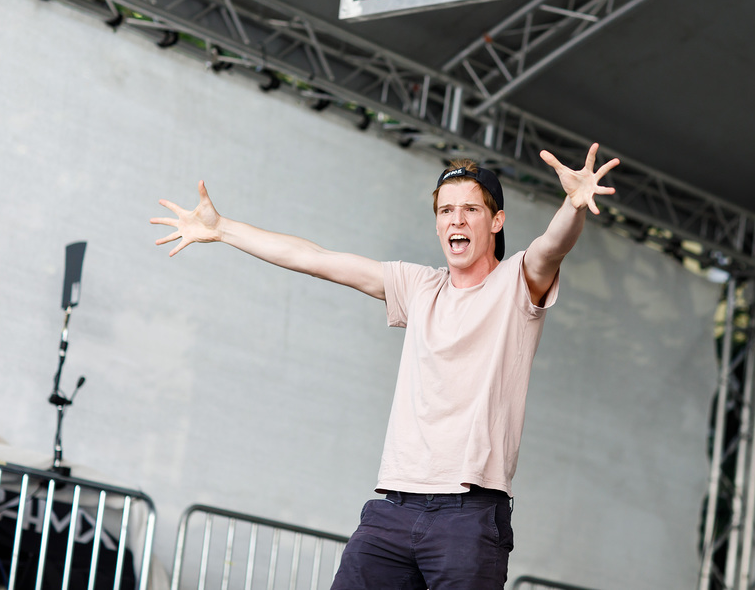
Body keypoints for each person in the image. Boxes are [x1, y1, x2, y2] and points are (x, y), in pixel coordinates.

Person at [151, 143, 619, 589]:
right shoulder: (419, 286)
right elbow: (317, 259)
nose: (456, 220)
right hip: (393, 507)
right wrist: (223, 229)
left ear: (496, 221)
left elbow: (551, 247)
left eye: (470, 209)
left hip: (470, 512)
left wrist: (574, 205)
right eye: (445, 211)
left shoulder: (516, 283)